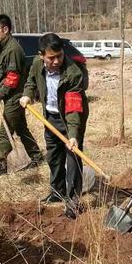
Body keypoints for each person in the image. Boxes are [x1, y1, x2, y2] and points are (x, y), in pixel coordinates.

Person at [20, 33, 89, 219]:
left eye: (60, 56)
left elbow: (73, 108)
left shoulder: (73, 72)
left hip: (71, 118)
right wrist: (27, 94)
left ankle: (72, 201)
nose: (57, 61)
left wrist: (73, 134)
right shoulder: (36, 63)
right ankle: (57, 191)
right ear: (42, 55)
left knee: (73, 156)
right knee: (53, 155)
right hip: (49, 116)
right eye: (52, 57)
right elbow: (31, 81)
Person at [0, 14, 42, 175]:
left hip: (15, 96)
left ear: (5, 29)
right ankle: (36, 155)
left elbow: (13, 77)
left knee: (4, 131)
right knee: (21, 128)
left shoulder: (13, 49)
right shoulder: (7, 47)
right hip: (13, 96)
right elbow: (2, 65)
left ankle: (1, 165)